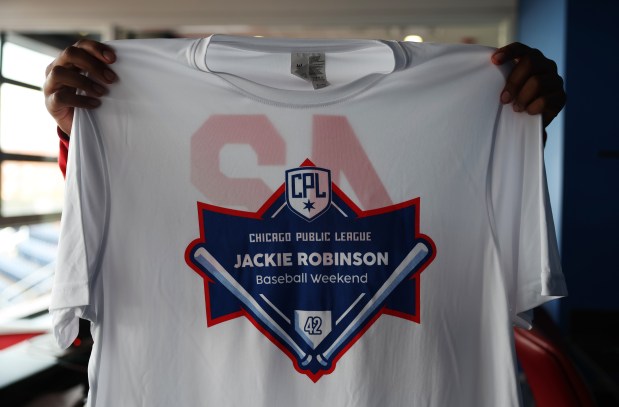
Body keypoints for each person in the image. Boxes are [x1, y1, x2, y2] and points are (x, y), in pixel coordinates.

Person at [44, 39, 566, 176]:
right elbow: (115, 210)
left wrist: (517, 127)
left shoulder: (469, 92)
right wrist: (81, 133)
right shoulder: (130, 94)